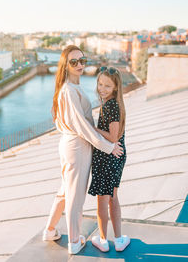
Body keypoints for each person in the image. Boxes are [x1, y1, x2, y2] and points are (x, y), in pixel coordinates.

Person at [42, 46, 123, 255]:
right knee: (75, 197)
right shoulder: (69, 90)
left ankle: (50, 230)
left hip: (73, 145)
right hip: (77, 146)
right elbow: (83, 126)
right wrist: (109, 147)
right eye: (74, 62)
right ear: (65, 65)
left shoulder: (71, 86)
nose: (79, 65)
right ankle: (74, 242)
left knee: (64, 192)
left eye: (82, 60)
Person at [88, 66, 130, 252]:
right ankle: (119, 239)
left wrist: (91, 128)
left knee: (102, 201)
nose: (102, 89)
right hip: (114, 157)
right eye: (100, 84)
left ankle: (103, 240)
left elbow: (113, 137)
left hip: (108, 158)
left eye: (107, 86)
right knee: (113, 198)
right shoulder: (115, 103)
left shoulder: (110, 105)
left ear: (115, 88)